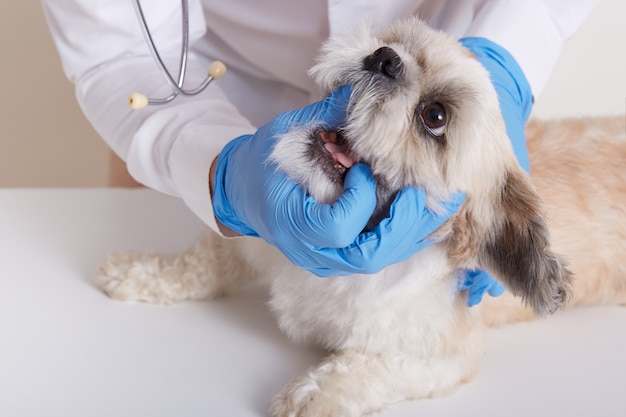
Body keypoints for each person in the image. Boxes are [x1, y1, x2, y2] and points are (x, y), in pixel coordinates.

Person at [42, 0, 598, 305]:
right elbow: (117, 53)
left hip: (450, 35)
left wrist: (502, 65)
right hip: (200, 83)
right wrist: (218, 173)